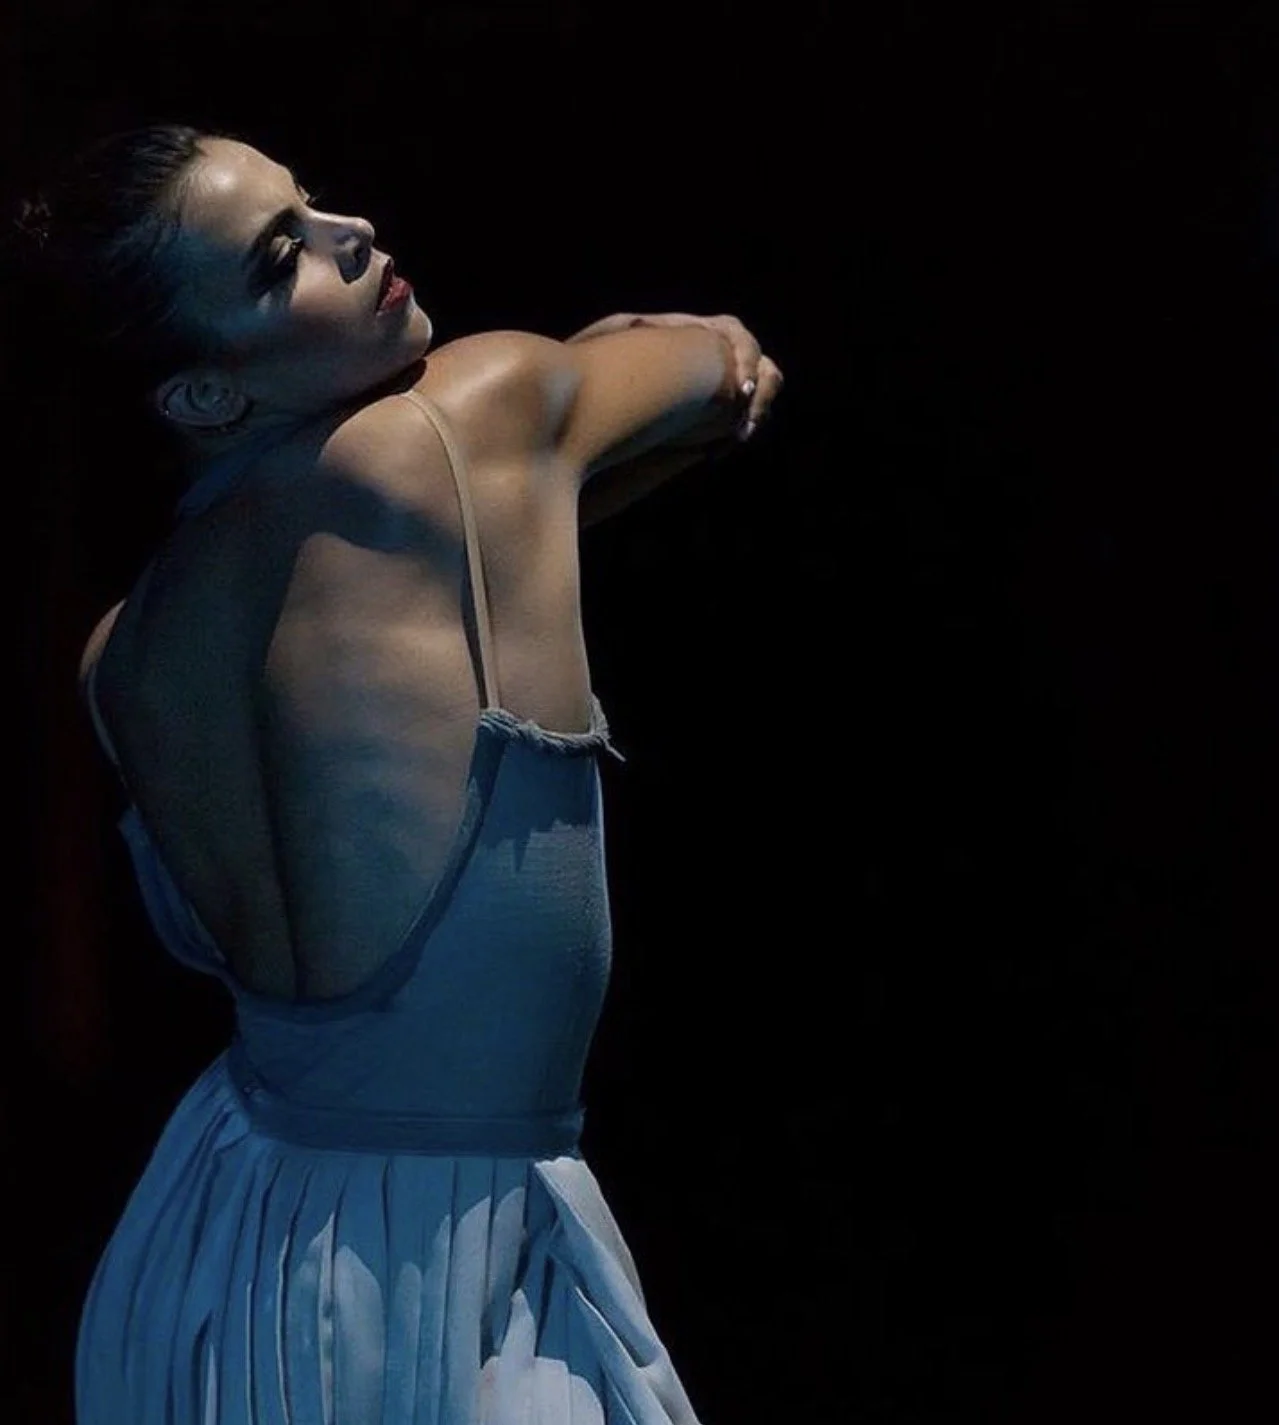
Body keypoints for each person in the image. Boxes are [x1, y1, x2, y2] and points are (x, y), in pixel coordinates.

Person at [7, 121, 782, 1423]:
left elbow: (537, 510)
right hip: (442, 1275)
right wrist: (619, 355)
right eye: (276, 259)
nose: (346, 233)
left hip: (219, 1268)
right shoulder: (452, 434)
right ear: (199, 394)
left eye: (307, 204)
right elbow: (724, 371)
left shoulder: (119, 657)